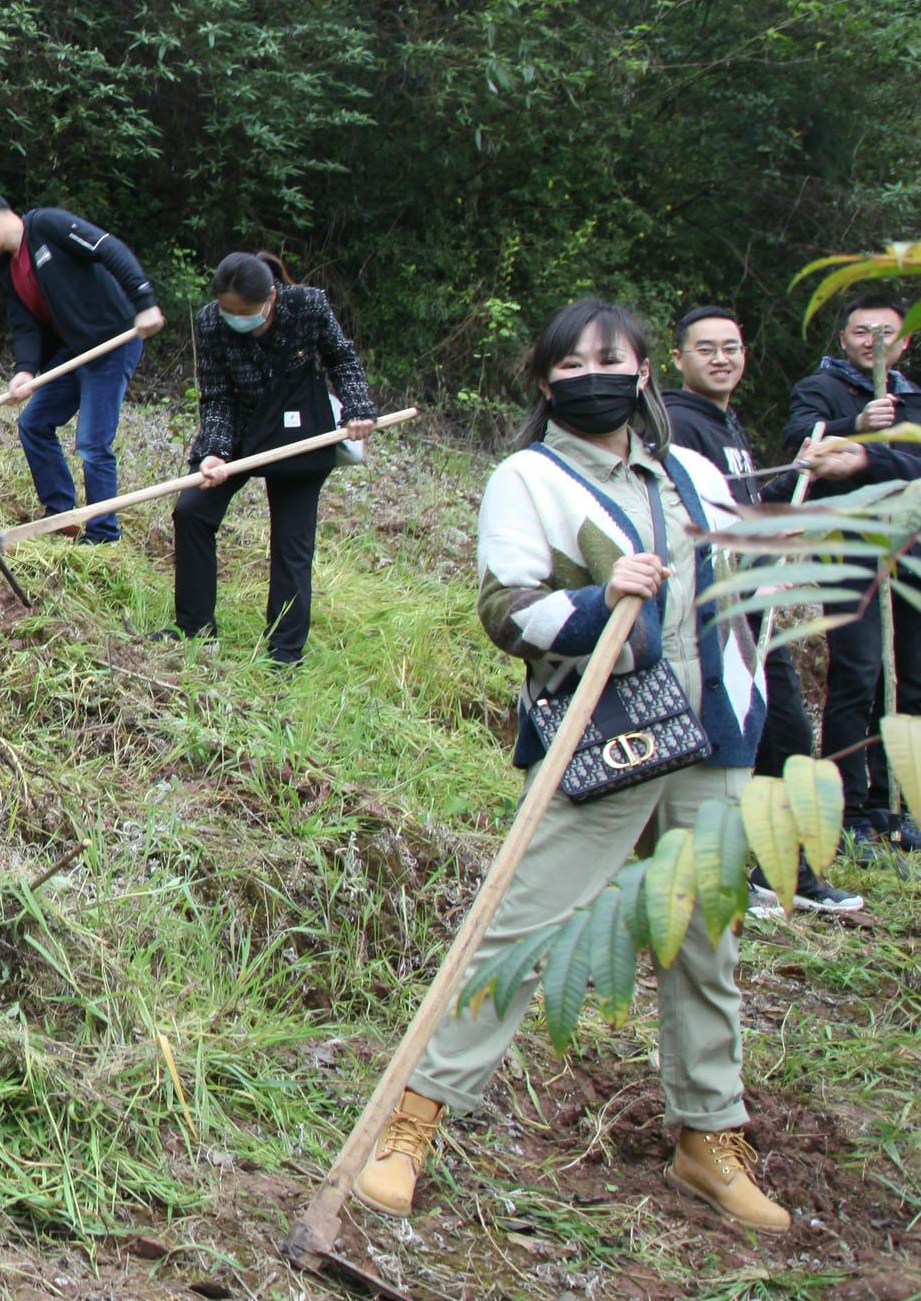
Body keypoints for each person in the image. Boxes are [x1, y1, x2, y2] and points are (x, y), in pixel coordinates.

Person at [357, 301, 785, 1232]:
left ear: (642, 373)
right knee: (521, 920)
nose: (595, 372)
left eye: (614, 358)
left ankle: (709, 1135)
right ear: (546, 378)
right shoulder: (531, 477)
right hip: (611, 732)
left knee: (707, 941)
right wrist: (600, 598)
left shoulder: (695, 472)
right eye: (574, 361)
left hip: (715, 734)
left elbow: (751, 585)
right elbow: (505, 611)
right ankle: (415, 1114)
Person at [661, 305, 863, 914]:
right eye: (707, 349)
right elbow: (696, 522)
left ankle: (784, 871)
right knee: (772, 738)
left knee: (785, 736)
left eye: (732, 346)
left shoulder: (727, 424)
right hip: (715, 618)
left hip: (749, 610)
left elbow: (746, 502)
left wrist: (800, 490)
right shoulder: (679, 425)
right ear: (678, 359)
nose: (722, 358)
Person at [166, 252, 377, 665]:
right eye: (227, 310)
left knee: (291, 545)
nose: (233, 319)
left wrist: (357, 409)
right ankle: (194, 630)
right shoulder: (210, 321)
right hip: (242, 428)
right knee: (192, 511)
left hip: (299, 429)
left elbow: (342, 358)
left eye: (243, 312)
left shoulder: (307, 305)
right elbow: (217, 396)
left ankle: (284, 654)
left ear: (271, 297)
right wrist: (214, 451)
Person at [780, 294, 921, 853]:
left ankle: (898, 804)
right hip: (850, 551)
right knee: (858, 676)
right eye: (863, 332)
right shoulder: (821, 390)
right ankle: (852, 809)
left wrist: (879, 457)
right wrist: (853, 425)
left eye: (886, 333)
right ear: (844, 338)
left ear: (905, 342)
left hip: (911, 552)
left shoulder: (915, 398)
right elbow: (799, 446)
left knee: (909, 681)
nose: (874, 343)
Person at [0, 190, 165, 541]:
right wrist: (25, 370)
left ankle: (102, 534)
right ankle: (60, 514)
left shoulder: (47, 225)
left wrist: (143, 302)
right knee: (34, 423)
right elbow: (23, 323)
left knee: (92, 443)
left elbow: (107, 247)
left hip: (113, 342)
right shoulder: (7, 269)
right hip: (74, 349)